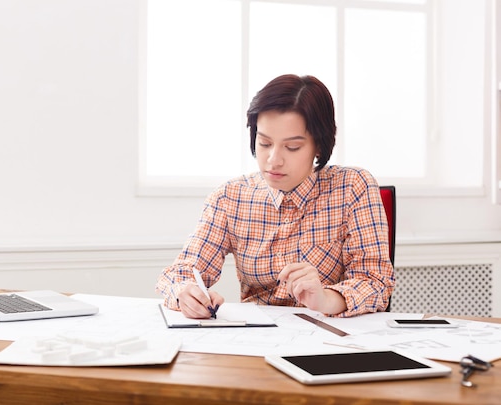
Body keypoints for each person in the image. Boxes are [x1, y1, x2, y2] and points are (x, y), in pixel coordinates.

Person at [155, 74, 395, 319]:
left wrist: (324, 299)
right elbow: (180, 273)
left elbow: (376, 282)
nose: (274, 160)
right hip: (257, 341)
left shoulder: (352, 187)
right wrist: (185, 291)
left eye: (292, 147)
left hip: (331, 341)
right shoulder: (230, 197)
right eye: (265, 143)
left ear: (319, 146)